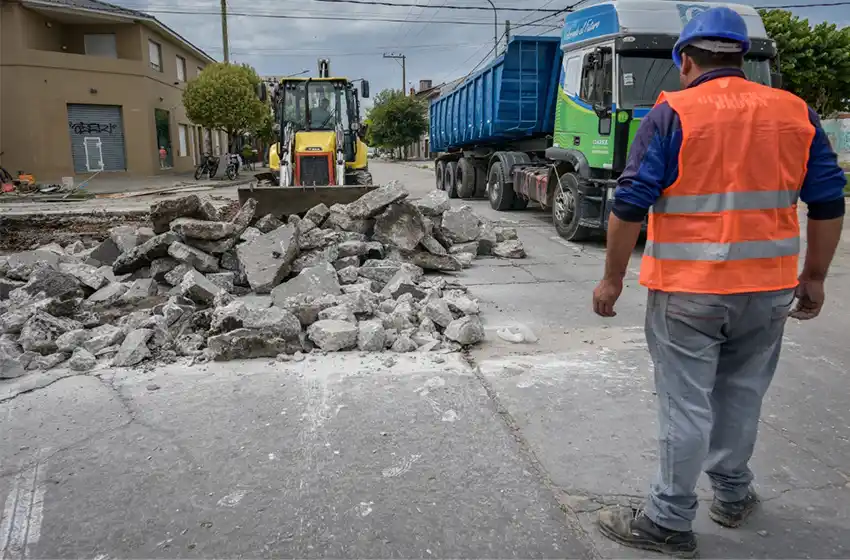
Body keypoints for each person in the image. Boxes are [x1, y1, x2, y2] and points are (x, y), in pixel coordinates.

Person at [592, 7, 846, 558]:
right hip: (769, 289)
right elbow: (828, 202)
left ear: (686, 60)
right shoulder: (795, 112)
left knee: (686, 405)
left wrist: (612, 279)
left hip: (689, 291)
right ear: (742, 58)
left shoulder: (673, 113)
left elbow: (630, 203)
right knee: (741, 393)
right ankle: (732, 494)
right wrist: (816, 278)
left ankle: (667, 521)